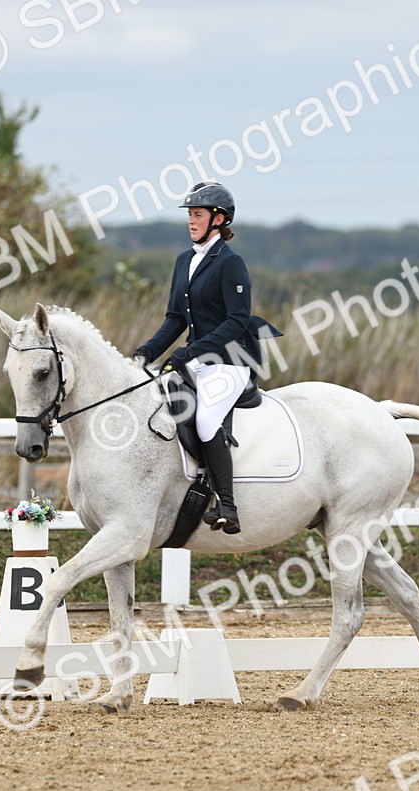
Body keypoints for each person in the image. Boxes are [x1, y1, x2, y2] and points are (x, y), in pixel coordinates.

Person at [132, 182, 281, 534]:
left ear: (219, 219)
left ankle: (227, 504)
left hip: (231, 360)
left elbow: (237, 320)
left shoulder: (230, 263)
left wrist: (191, 351)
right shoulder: (184, 260)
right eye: (189, 215)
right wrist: (146, 352)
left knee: (205, 419)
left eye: (197, 215)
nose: (191, 221)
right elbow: (175, 319)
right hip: (197, 359)